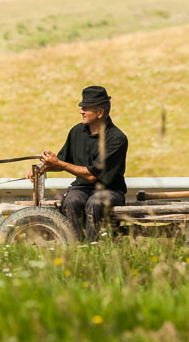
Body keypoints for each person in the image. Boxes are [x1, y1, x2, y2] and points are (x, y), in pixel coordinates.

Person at [28, 85, 128, 241]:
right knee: (72, 201)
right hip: (82, 188)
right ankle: (74, 249)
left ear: (100, 112)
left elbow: (92, 176)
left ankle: (95, 250)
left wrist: (58, 163)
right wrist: (42, 167)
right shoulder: (76, 131)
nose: (81, 111)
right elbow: (62, 161)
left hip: (110, 190)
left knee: (96, 203)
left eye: (86, 108)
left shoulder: (116, 139)